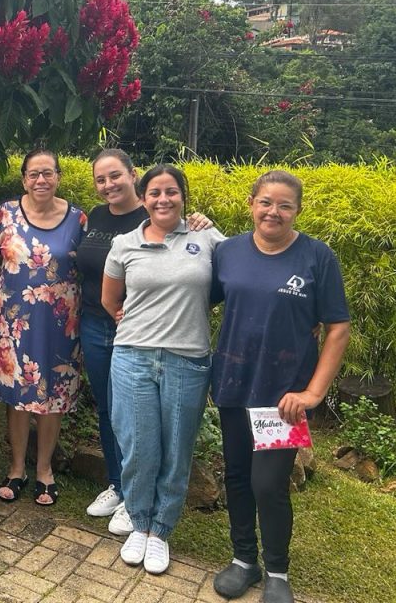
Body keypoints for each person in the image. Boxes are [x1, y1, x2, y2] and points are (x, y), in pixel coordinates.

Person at [210, 170, 349, 603]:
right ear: (251, 203)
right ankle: (243, 560)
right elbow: (194, 294)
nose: (274, 211)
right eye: (266, 202)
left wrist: (312, 393)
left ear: (297, 210)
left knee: (268, 484)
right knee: (236, 476)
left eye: (284, 204)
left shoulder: (316, 257)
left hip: (283, 399)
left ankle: (278, 573)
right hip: (233, 384)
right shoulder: (227, 252)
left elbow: (338, 328)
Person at [75, 149, 212, 530]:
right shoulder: (98, 217)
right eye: (100, 179)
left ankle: (143, 503)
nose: (108, 185)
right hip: (100, 326)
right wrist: (113, 310)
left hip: (146, 335)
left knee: (151, 426)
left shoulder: (169, 222)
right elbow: (100, 278)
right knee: (113, 412)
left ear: (133, 176)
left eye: (115, 176)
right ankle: (119, 485)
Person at [101, 164, 225, 575]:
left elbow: (242, 275)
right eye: (154, 193)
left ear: (183, 196)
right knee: (137, 445)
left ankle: (161, 531)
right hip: (133, 356)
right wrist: (135, 322)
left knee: (176, 449)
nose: (163, 200)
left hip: (187, 359)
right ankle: (138, 522)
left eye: (171, 192)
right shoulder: (125, 243)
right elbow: (109, 299)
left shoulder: (205, 237)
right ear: (144, 197)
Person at [0, 148, 86, 506]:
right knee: (17, 395)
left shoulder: (79, 220)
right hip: (13, 321)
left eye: (48, 173)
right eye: (33, 174)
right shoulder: (5, 214)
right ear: (23, 178)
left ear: (59, 176)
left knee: (52, 397)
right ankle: (17, 468)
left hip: (61, 323)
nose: (40, 180)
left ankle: (44, 469)